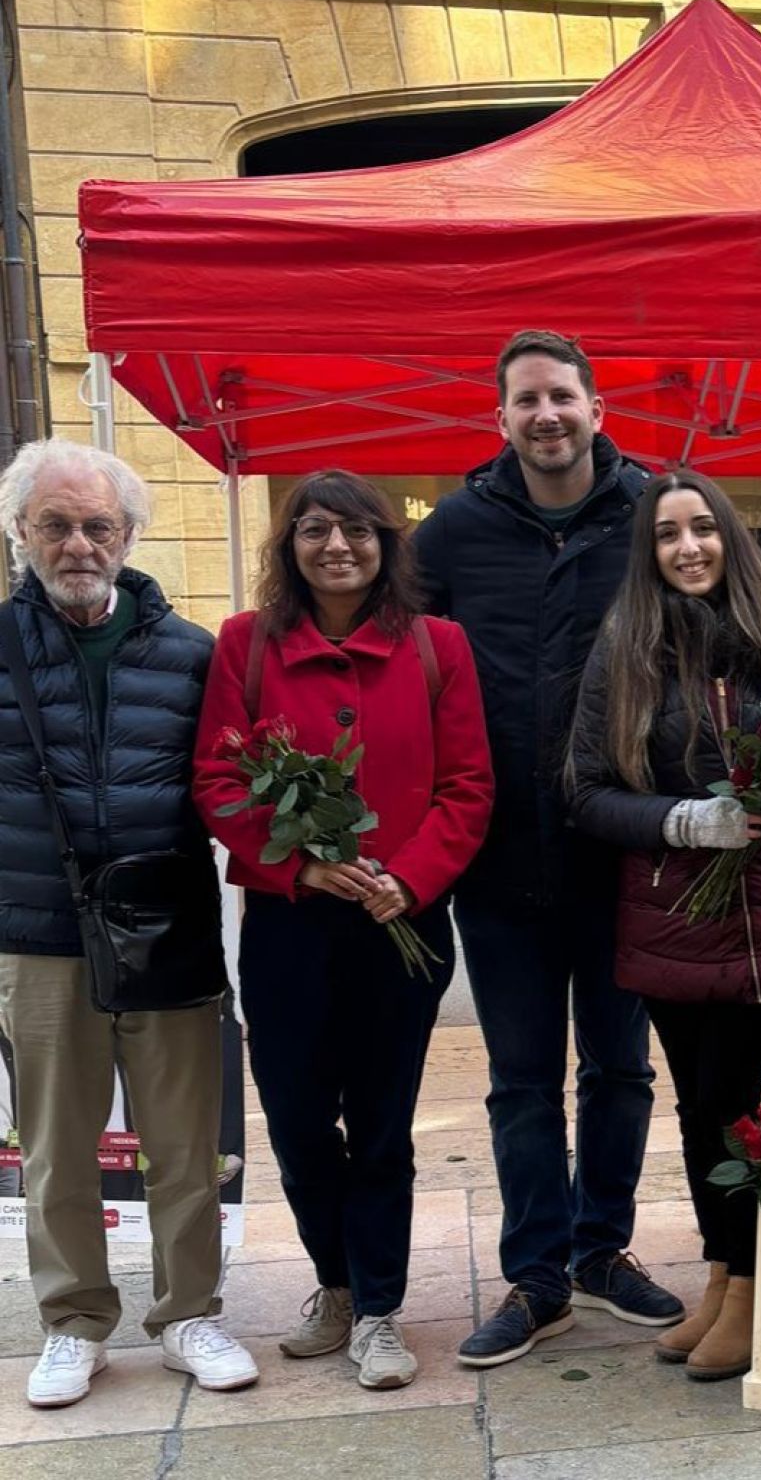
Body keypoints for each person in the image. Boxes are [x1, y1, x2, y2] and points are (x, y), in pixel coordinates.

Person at [414, 330, 684, 1368]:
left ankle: (601, 1250)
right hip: (497, 853)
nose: (547, 415)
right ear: (502, 419)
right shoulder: (452, 533)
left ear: (596, 406)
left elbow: (710, 627)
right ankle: (536, 1276)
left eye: (562, 396)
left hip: (620, 850)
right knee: (521, 1077)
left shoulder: (651, 513)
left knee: (619, 1069)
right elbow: (406, 669)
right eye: (526, 400)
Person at [193, 470, 492, 1391]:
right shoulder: (246, 646)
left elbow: (468, 786)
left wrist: (409, 878)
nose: (338, 547)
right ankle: (331, 1279)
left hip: (399, 921)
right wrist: (299, 864)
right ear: (290, 546)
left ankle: (380, 1306)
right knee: (293, 1119)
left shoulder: (438, 645)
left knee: (383, 1123)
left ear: (385, 545)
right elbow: (217, 779)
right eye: (316, 530)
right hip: (289, 927)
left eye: (357, 531)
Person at [0, 437, 257, 1407]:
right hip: (38, 935)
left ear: (128, 535)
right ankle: (73, 1323)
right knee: (58, 1146)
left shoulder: (194, 655)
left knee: (184, 1138)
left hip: (168, 931)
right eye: (55, 524)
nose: (77, 543)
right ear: (20, 532)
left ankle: (190, 1312)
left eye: (96, 524)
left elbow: (229, 786)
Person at [567, 470, 761, 1380]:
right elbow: (586, 790)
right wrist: (685, 819)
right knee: (697, 1103)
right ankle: (722, 1278)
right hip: (669, 910)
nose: (688, 548)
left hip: (757, 911)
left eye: (703, 529)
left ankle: (753, 1285)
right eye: (668, 534)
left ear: (728, 538)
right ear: (650, 552)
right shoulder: (625, 647)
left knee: (734, 1101)